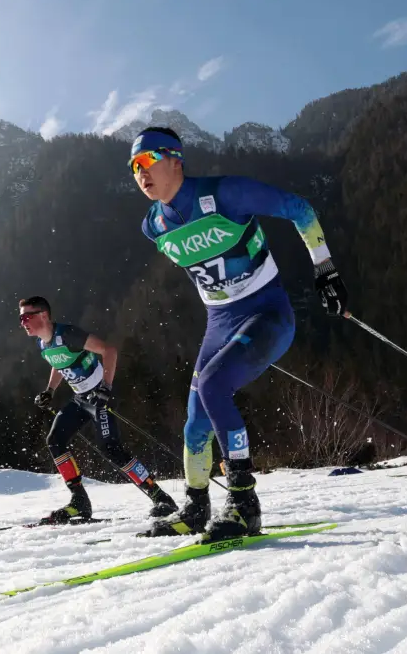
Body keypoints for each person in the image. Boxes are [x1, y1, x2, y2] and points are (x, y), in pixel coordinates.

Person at [128, 127, 348, 542]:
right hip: (219, 322)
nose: (140, 173)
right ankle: (195, 507)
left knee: (213, 385)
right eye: (133, 167)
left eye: (147, 160)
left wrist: (325, 270)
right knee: (195, 422)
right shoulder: (153, 225)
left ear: (176, 159)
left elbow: (299, 208)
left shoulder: (225, 194)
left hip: (267, 314)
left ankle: (245, 502)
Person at [19, 296, 177, 524]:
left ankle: (161, 499)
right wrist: (49, 391)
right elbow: (59, 363)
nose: (22, 322)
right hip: (81, 398)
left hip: (100, 397)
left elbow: (109, 350)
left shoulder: (68, 334)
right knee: (55, 440)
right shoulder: (43, 344)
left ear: (43, 315)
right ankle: (79, 502)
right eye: (21, 317)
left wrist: (106, 388)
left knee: (111, 448)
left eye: (26, 316)